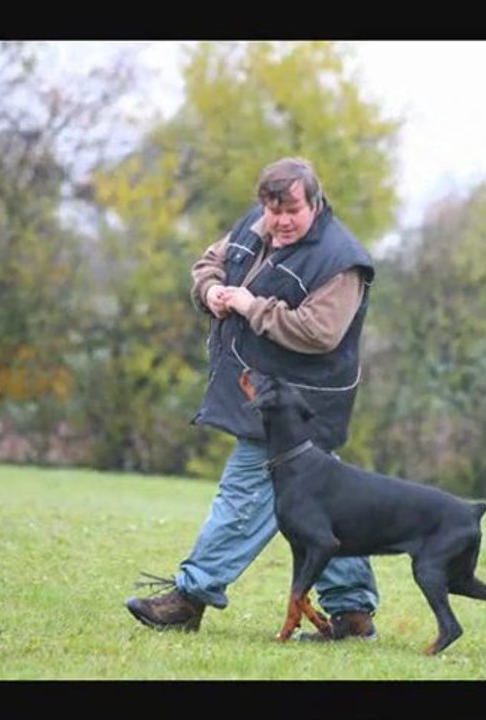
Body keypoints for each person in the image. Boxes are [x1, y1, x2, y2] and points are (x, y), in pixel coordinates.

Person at [125, 157, 380, 641]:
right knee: (320, 508)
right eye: (271, 209)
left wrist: (248, 304)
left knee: (242, 495)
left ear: (315, 201)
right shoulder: (254, 223)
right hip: (264, 395)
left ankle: (190, 596)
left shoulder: (340, 259)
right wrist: (214, 290)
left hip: (299, 407)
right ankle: (352, 614)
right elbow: (208, 261)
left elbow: (320, 332)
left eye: (291, 211)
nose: (279, 221)